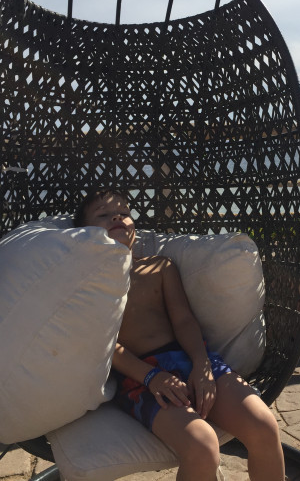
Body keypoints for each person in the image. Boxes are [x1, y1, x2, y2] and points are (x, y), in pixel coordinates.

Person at [74, 189, 285, 481]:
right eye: (104, 214)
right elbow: (105, 345)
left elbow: (184, 321)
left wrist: (202, 365)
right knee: (203, 446)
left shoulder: (159, 267)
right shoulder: (88, 286)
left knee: (264, 426)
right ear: (83, 232)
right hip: (139, 376)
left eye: (124, 212)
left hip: (189, 357)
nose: (117, 218)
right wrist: (151, 376)